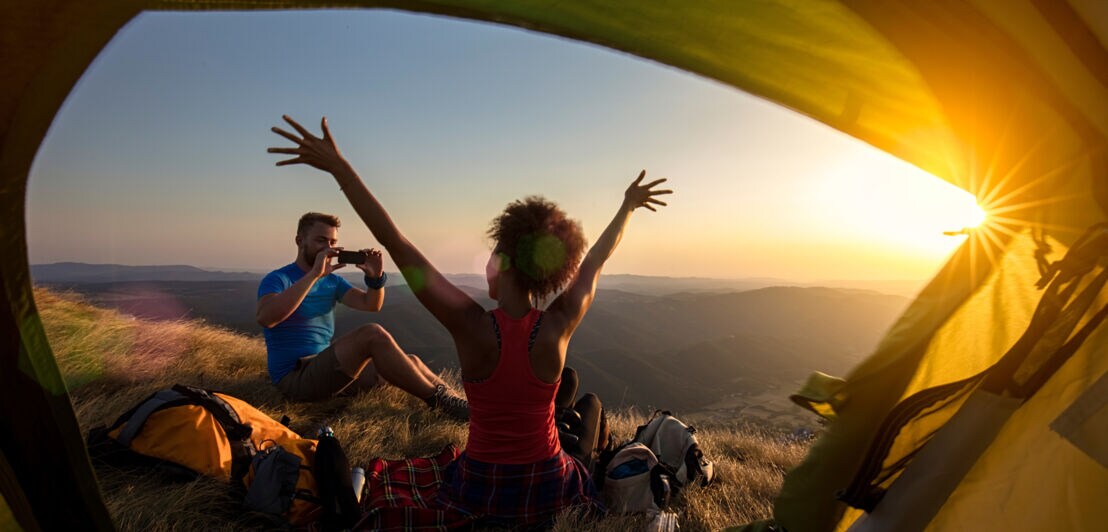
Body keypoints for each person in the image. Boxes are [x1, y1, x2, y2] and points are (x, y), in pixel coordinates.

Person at [268, 115, 671, 527]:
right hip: (547, 482)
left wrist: (340, 168)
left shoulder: (469, 323)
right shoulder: (558, 323)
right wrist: (627, 206)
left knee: (576, 403)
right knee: (588, 404)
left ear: (504, 264)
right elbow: (595, 261)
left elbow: (395, 241)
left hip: (481, 485)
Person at [256, 211, 469, 421]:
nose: (329, 249)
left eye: (333, 242)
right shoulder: (279, 279)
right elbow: (267, 318)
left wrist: (375, 279)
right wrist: (313, 276)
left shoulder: (332, 282)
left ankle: (461, 405)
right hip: (295, 379)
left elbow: (370, 304)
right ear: (300, 240)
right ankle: (438, 401)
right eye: (321, 241)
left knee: (410, 361)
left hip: (325, 370)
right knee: (371, 334)